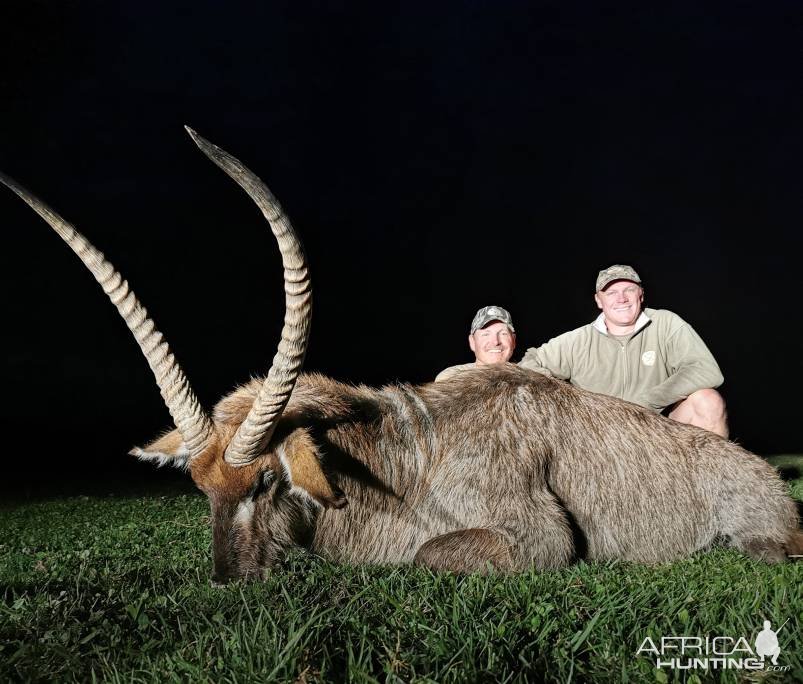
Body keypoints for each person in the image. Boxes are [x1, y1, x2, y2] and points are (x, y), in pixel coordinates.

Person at [519, 265, 728, 437]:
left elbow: (706, 370)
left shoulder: (666, 323)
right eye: (611, 292)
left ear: (641, 294)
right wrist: (568, 399)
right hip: (601, 435)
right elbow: (529, 362)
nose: (621, 298)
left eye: (628, 290)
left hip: (657, 429)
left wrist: (646, 403)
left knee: (708, 401)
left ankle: (711, 484)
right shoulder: (577, 340)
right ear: (599, 301)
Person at [435, 305, 516, 382]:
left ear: (513, 340)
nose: (495, 342)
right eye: (486, 334)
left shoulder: (526, 377)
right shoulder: (451, 378)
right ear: (472, 342)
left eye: (503, 334)